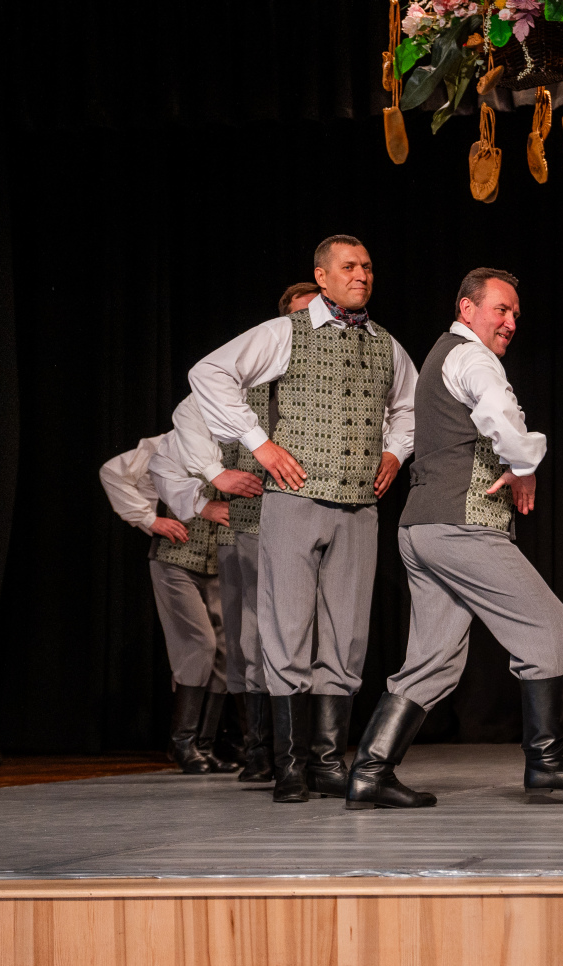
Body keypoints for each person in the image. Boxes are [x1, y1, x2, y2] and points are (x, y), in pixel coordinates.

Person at [346, 268, 563, 809]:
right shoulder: (472, 358)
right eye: (501, 309)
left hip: (421, 527)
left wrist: (517, 464)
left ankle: (370, 772)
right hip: (458, 526)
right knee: (547, 623)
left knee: (433, 659)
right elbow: (500, 417)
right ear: (467, 309)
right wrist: (524, 464)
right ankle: (547, 760)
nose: (510, 322)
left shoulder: (442, 356)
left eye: (515, 314)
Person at [189, 235, 418, 803]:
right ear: (322, 276)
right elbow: (209, 373)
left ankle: (327, 761)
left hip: (358, 507)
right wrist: (259, 443)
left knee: (346, 635)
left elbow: (408, 406)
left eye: (367, 266)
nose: (361, 275)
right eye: (349, 266)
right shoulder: (285, 333)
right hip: (294, 501)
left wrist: (394, 452)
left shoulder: (386, 344)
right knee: (286, 627)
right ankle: (288, 764)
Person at [173, 284, 320, 784]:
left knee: (310, 635)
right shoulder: (249, 377)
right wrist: (215, 475)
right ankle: (260, 751)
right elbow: (188, 412)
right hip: (252, 523)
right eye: (300, 317)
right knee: (251, 638)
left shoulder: (332, 375)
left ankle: (307, 752)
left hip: (314, 518)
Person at [99, 429, 232, 773]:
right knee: (199, 644)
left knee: (225, 651)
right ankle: (183, 742)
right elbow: (112, 472)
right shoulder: (173, 441)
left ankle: (204, 745)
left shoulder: (237, 443)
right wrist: (149, 519)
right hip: (175, 561)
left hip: (217, 564)